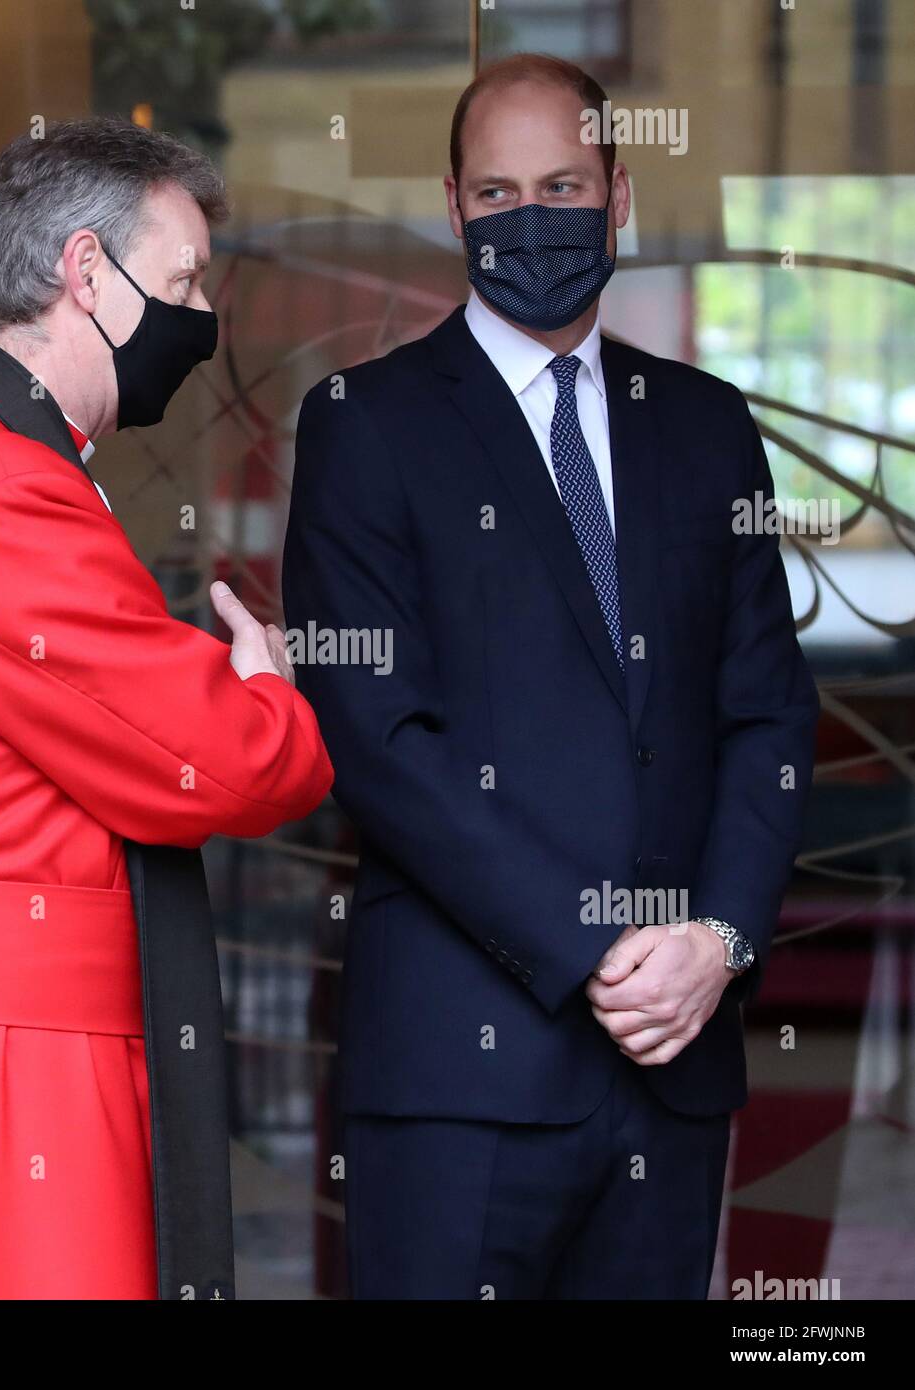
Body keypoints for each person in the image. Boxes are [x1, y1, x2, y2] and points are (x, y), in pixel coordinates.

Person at [282, 54, 819, 1300]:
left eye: (565, 184)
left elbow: (766, 713)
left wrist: (720, 940)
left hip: (672, 1063)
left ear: (619, 193)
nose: (532, 216)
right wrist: (602, 948)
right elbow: (376, 736)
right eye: (500, 189)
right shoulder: (364, 422)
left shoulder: (706, 425)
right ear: (456, 205)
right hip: (459, 1082)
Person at [0, 118, 332, 1300]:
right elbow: (238, 765)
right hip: (22, 1069)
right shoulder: (12, 497)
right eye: (183, 281)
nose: (199, 317)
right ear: (86, 273)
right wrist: (262, 681)